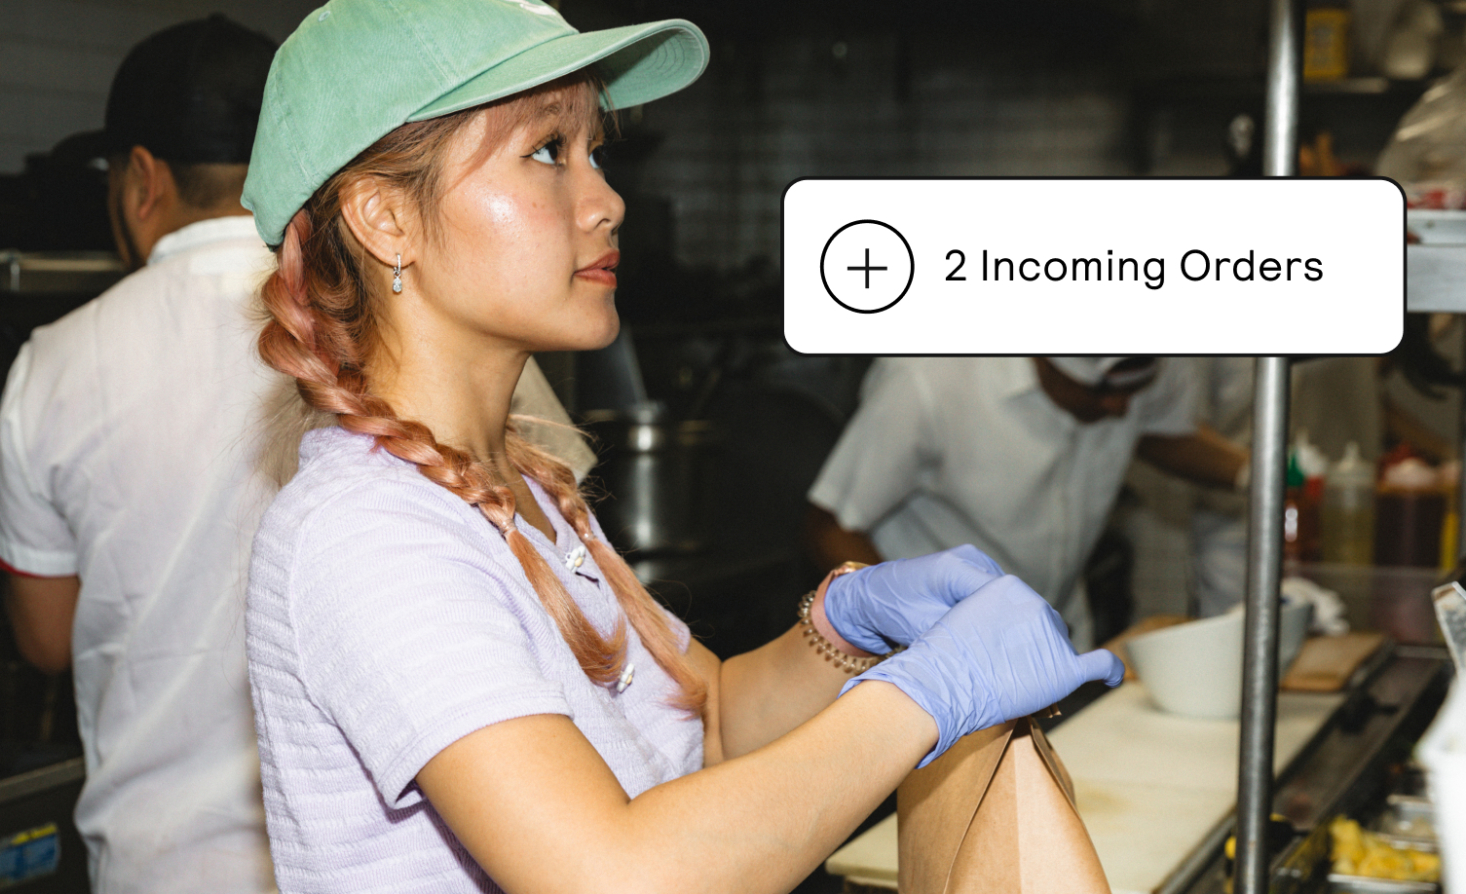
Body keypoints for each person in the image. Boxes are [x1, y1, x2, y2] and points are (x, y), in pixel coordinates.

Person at [239, 1, 1123, 891]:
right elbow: (613, 874)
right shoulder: (369, 531)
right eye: (547, 150)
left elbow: (715, 722)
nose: (608, 202)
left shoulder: (518, 495)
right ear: (385, 218)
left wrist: (843, 631)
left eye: (596, 152)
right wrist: (926, 698)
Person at [0, 14, 590, 894]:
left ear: (142, 179)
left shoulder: (56, 360)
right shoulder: (431, 314)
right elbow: (560, 550)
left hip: (162, 867)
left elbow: (43, 637)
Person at [805, 357, 1248, 649]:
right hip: (937, 652)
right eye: (1097, 392)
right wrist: (920, 635)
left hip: (1057, 634)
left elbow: (1160, 432)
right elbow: (830, 525)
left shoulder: (1132, 373)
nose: (1118, 408)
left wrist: (1256, 473)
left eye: (1131, 392)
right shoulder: (931, 378)